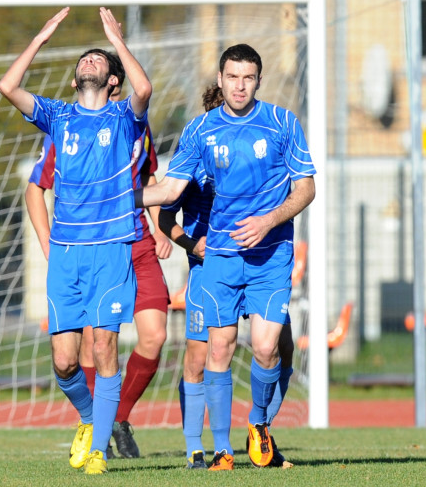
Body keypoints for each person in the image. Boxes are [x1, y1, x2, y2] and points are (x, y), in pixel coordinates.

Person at [135, 44, 316, 471]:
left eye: (248, 77)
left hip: (271, 254)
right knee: (218, 348)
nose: (239, 85)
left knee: (268, 347)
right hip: (218, 257)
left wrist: (269, 221)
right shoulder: (200, 131)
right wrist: (115, 196)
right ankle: (221, 451)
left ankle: (258, 425)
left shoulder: (281, 122)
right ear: (220, 78)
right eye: (232, 77)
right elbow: (170, 193)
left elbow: (306, 188)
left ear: (258, 80)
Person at [0, 7, 152, 474]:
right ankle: (89, 420)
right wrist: (41, 38)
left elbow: (144, 89)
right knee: (65, 363)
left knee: (104, 347)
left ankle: (100, 451)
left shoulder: (126, 117)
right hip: (66, 255)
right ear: (73, 80)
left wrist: (116, 41)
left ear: (112, 81)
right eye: (83, 59)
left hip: (110, 250)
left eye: (98, 60)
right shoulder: (59, 117)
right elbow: (8, 87)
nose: (89, 61)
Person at [24, 54, 172, 460]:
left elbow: (148, 180)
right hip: (92, 244)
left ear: (116, 83)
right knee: (92, 346)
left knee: (156, 335)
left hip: (136, 240)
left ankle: (115, 418)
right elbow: (35, 187)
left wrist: (160, 229)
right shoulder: (68, 129)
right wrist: (47, 240)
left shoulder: (133, 123)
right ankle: (98, 426)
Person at [159, 83, 294, 470]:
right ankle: (197, 448)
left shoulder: (260, 156)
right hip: (211, 267)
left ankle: (262, 432)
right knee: (201, 356)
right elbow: (166, 212)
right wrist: (188, 242)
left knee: (278, 347)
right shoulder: (195, 163)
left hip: (260, 260)